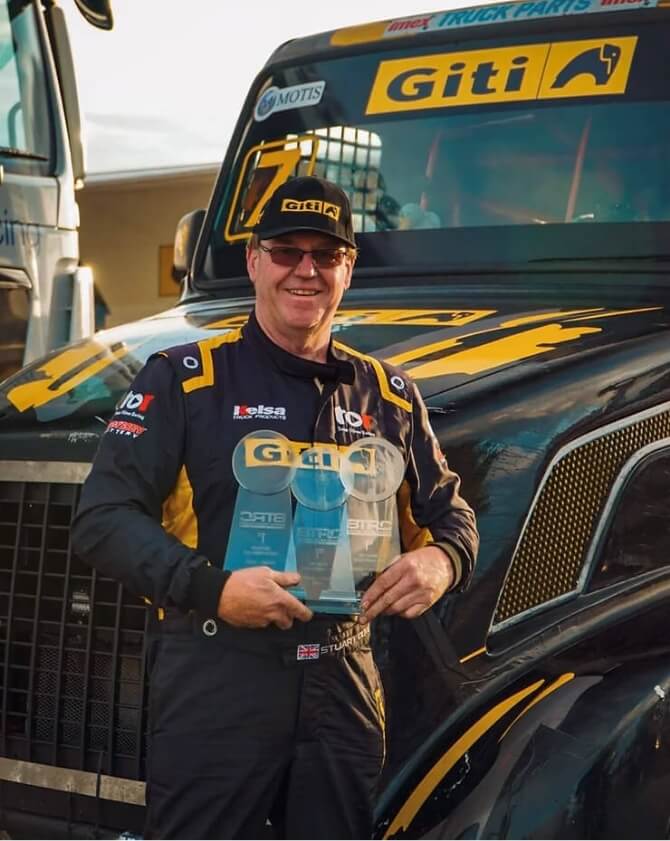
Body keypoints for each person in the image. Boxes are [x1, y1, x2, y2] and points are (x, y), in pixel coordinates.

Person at [71, 176, 478, 840]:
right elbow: (102, 519)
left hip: (343, 681)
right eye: (287, 250)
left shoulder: (391, 395)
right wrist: (215, 588)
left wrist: (443, 558)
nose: (306, 269)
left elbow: (452, 516)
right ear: (255, 260)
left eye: (326, 253)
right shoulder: (183, 377)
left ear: (348, 267)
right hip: (217, 673)